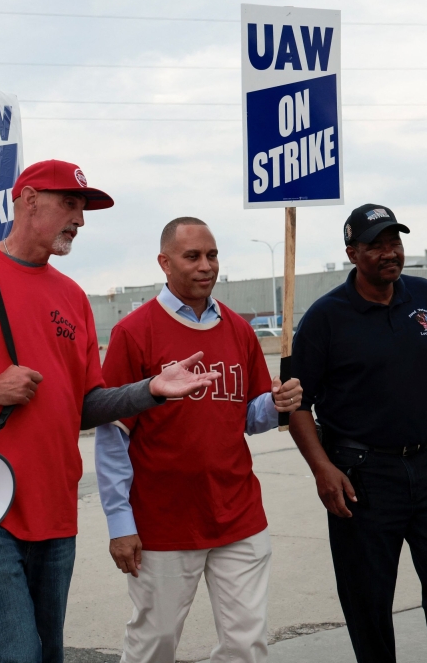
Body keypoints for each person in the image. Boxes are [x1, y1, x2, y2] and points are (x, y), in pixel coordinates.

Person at [0, 159, 221, 663]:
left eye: (82, 209)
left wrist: (149, 390)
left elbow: (84, 407)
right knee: (15, 653)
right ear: (27, 199)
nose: (80, 220)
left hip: (56, 504)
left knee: (46, 653)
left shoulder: (72, 297)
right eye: (70, 204)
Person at [95, 217, 304, 663]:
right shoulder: (134, 332)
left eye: (211, 255)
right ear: (164, 263)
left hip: (238, 514)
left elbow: (247, 417)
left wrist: (277, 404)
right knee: (155, 643)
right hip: (163, 522)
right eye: (193, 256)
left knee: (246, 644)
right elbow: (113, 436)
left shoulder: (238, 329)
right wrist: (120, 524)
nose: (205, 266)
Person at [289, 205, 427, 663]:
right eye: (376, 245)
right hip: (361, 476)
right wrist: (323, 470)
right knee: (369, 601)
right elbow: (296, 405)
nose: (389, 252)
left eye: (394, 242)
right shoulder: (326, 318)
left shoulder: (425, 296)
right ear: (352, 253)